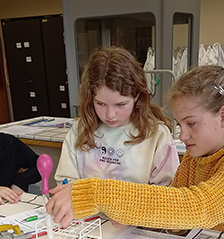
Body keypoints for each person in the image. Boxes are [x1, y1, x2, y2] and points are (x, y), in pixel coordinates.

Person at [46, 65, 224, 239]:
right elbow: (175, 214)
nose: (182, 136)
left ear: (223, 116)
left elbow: (200, 206)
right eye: (180, 125)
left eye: (191, 124)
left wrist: (97, 194)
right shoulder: (196, 156)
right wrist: (136, 214)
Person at [54, 46, 179, 186]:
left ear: (137, 96)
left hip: (139, 208)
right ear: (90, 99)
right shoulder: (80, 130)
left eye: (120, 105)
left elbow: (168, 194)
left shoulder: (157, 135)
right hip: (85, 208)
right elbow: (65, 182)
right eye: (100, 104)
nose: (110, 115)